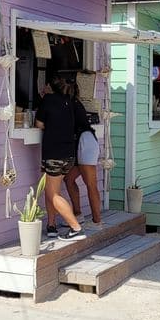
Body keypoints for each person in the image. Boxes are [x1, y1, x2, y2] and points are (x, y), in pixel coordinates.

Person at [35, 75, 90, 240]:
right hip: (68, 154)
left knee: (53, 195)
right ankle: (51, 226)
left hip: (54, 154)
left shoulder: (48, 100)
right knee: (51, 190)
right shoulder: (69, 101)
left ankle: (75, 227)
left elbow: (39, 124)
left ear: (51, 86)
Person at [64, 82, 101, 227]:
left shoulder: (70, 104)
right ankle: (78, 214)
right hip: (84, 141)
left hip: (85, 141)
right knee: (68, 179)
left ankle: (97, 221)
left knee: (90, 184)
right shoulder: (73, 103)